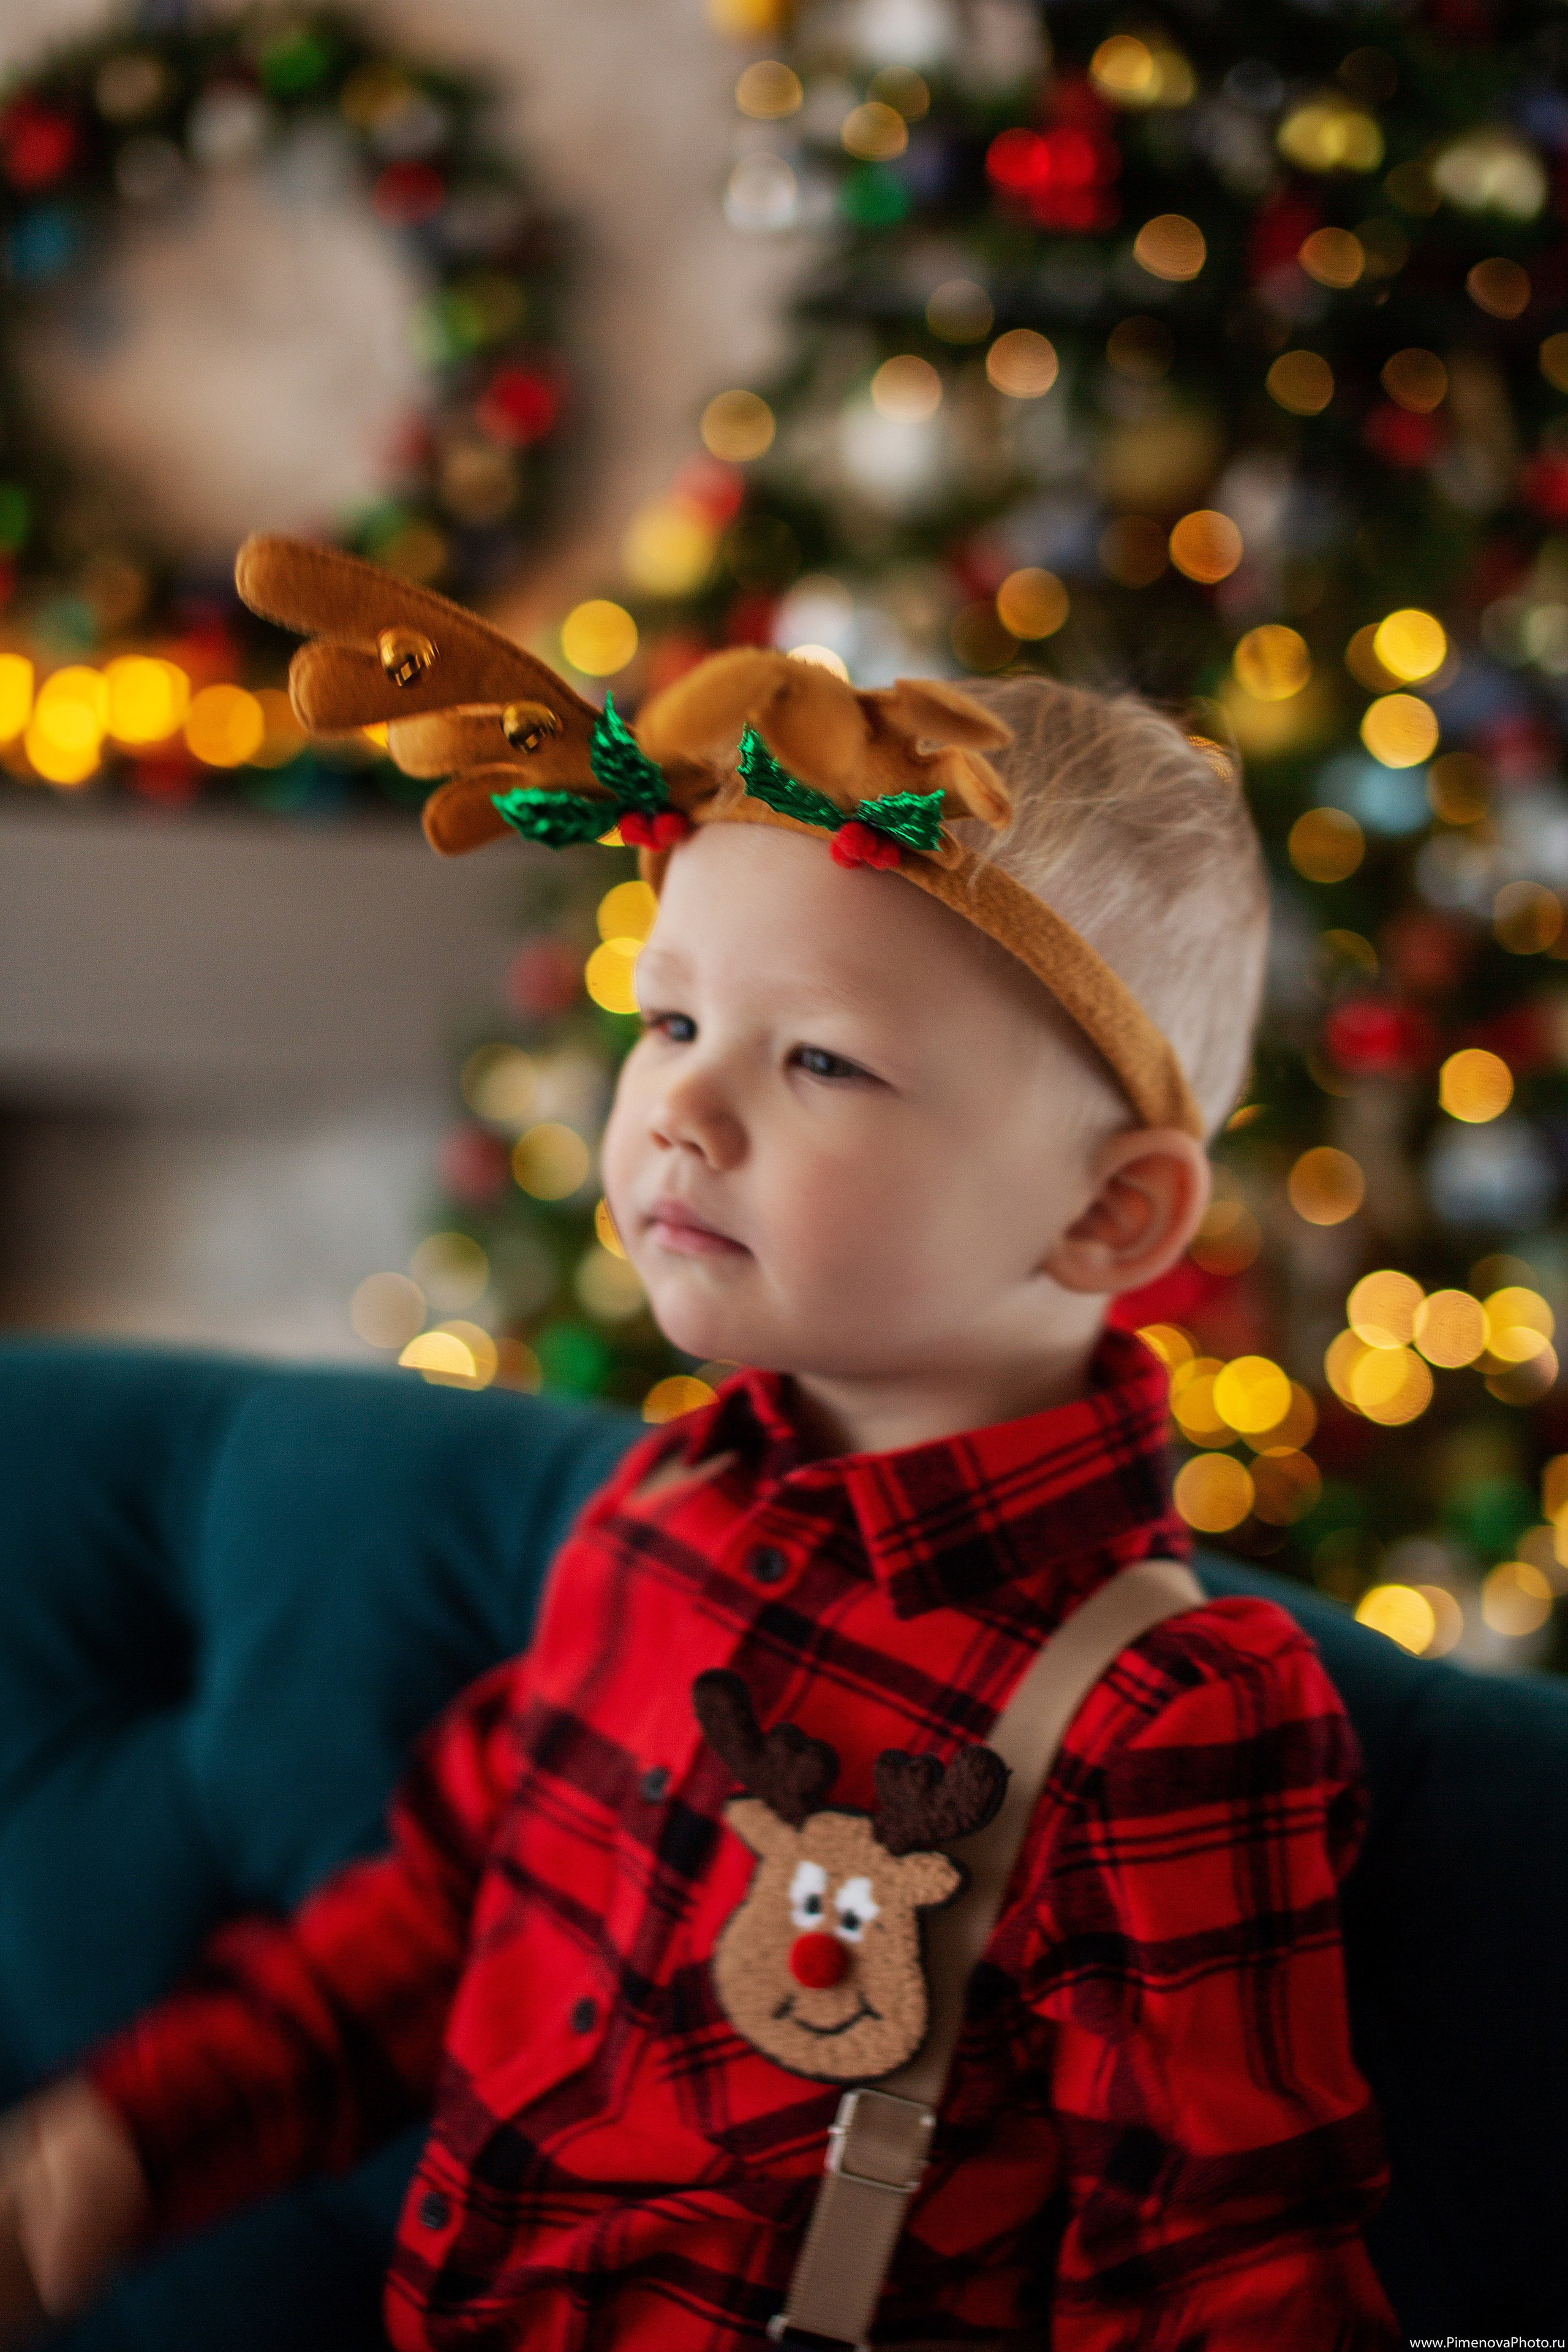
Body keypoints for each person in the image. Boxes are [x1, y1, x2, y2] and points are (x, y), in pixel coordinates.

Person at [0, 640, 1403, 2349]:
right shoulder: (654, 1518)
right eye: (670, 1021)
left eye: (819, 1060)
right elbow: (441, 1914)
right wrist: (139, 2135)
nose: (679, 1108)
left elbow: (1228, 2281)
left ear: (1109, 1216)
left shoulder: (1159, 1716)